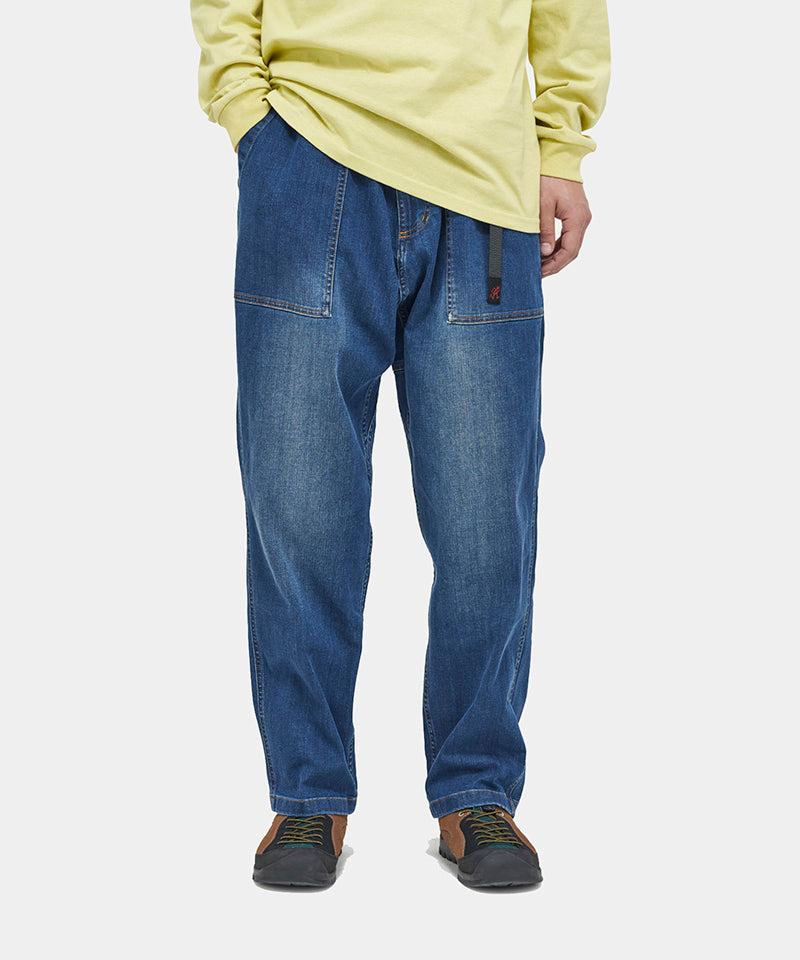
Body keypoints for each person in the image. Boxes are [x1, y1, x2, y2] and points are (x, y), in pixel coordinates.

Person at [191, 0, 610, 889]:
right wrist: (249, 115)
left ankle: (477, 789)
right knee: (298, 503)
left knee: (486, 517)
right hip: (308, 151)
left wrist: (560, 148)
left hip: (482, 174)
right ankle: (308, 793)